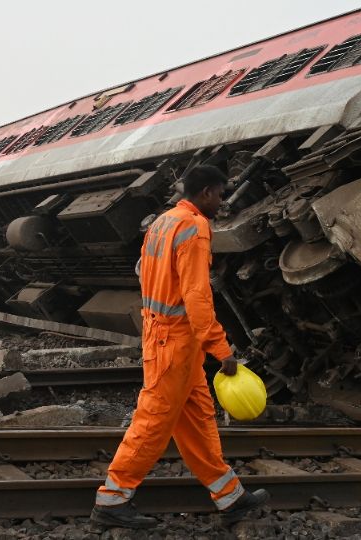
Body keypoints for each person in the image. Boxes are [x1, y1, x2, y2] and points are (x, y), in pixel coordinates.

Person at [90, 165, 269, 529]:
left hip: (167, 338)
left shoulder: (161, 222)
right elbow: (197, 296)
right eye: (219, 194)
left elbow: (142, 270)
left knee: (198, 419)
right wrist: (222, 350)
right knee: (153, 421)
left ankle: (230, 497)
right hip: (175, 341)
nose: (221, 202)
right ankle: (112, 500)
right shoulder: (195, 228)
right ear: (205, 193)